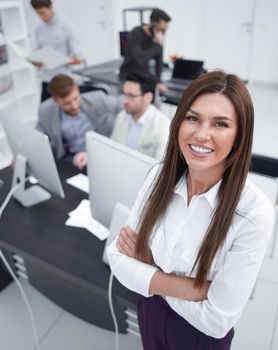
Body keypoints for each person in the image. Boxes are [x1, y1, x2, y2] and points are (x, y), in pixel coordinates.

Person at [107, 71, 274, 349]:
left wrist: (149, 271)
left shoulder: (253, 213)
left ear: (239, 136)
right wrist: (190, 289)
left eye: (220, 124)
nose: (202, 134)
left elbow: (216, 320)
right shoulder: (159, 175)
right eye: (193, 118)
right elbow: (117, 256)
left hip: (199, 338)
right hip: (149, 312)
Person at [37, 74, 123, 170]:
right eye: (67, 103)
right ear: (56, 101)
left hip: (102, 154)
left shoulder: (97, 99)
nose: (74, 106)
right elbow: (37, 138)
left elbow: (124, 104)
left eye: (75, 98)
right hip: (71, 157)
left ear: (77, 90)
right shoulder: (45, 111)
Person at [30, 0, 83, 102]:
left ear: (51, 7)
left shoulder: (67, 28)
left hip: (63, 80)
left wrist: (63, 60)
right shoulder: (38, 30)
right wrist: (36, 62)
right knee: (45, 112)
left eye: (42, 13)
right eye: (37, 14)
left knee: (65, 112)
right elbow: (35, 53)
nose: (41, 17)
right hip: (46, 80)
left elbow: (79, 59)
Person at [111, 73, 170, 160]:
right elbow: (111, 149)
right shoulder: (121, 116)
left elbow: (161, 166)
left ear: (148, 97)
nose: (124, 100)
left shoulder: (163, 125)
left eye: (130, 95)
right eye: (124, 94)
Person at [119, 8, 171, 93]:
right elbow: (140, 60)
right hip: (129, 77)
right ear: (153, 25)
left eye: (165, 30)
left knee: (155, 100)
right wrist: (157, 45)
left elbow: (159, 64)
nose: (163, 33)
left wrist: (158, 82)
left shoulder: (156, 38)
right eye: (161, 29)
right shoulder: (135, 33)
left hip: (143, 77)